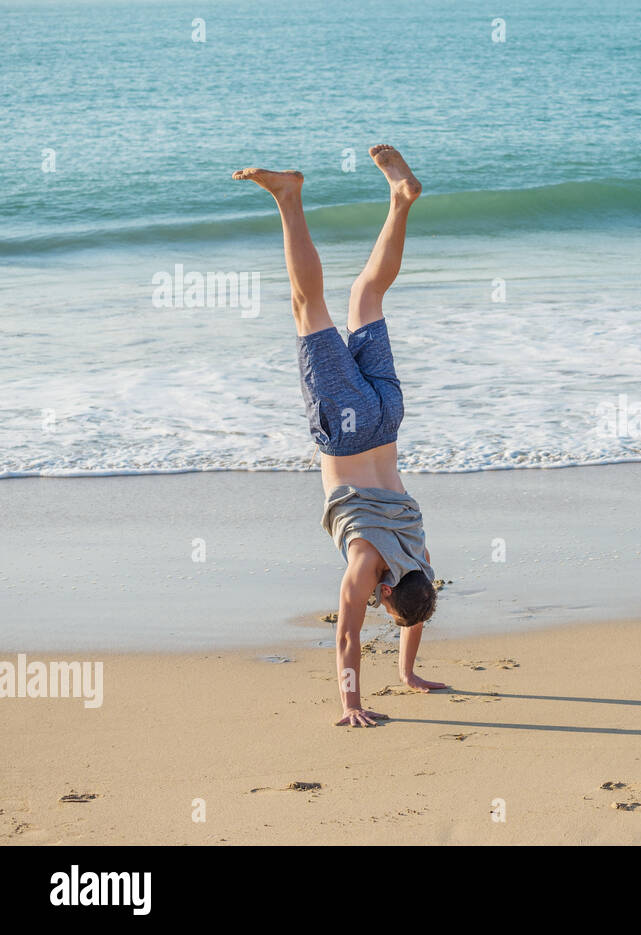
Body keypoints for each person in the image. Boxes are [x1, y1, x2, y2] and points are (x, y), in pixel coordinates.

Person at [233, 145, 447, 727]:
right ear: (385, 594)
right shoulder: (367, 564)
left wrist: (408, 673)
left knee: (367, 298)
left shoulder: (419, 557)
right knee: (308, 306)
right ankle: (289, 196)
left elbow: (418, 610)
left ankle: (401, 202)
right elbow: (347, 638)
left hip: (387, 418)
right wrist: (352, 704)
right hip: (347, 429)